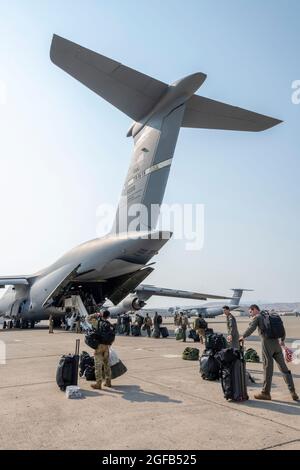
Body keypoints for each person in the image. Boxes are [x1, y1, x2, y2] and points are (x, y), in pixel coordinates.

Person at [239, 304, 298, 401]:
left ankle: (265, 393)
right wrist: (282, 340)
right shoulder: (270, 315)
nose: (251, 314)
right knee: (284, 369)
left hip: (267, 345)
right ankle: (293, 392)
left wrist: (243, 336)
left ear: (254, 310)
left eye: (251, 312)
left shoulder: (258, 317)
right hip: (277, 344)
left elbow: (251, 328)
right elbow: (282, 329)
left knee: (267, 369)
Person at [87, 310, 112, 390]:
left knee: (98, 365)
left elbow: (87, 318)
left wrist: (96, 314)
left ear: (102, 315)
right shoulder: (108, 324)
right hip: (107, 347)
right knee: (107, 365)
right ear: (108, 316)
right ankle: (108, 382)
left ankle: (98, 383)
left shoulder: (97, 322)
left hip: (99, 346)